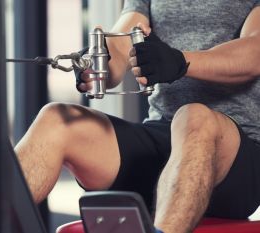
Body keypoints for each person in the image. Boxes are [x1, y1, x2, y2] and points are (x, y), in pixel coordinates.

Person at [15, 0, 260, 232]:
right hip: (163, 139)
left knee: (193, 117)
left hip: (234, 157)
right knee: (57, 119)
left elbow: (253, 53)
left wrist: (181, 61)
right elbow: (122, 44)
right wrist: (97, 64)